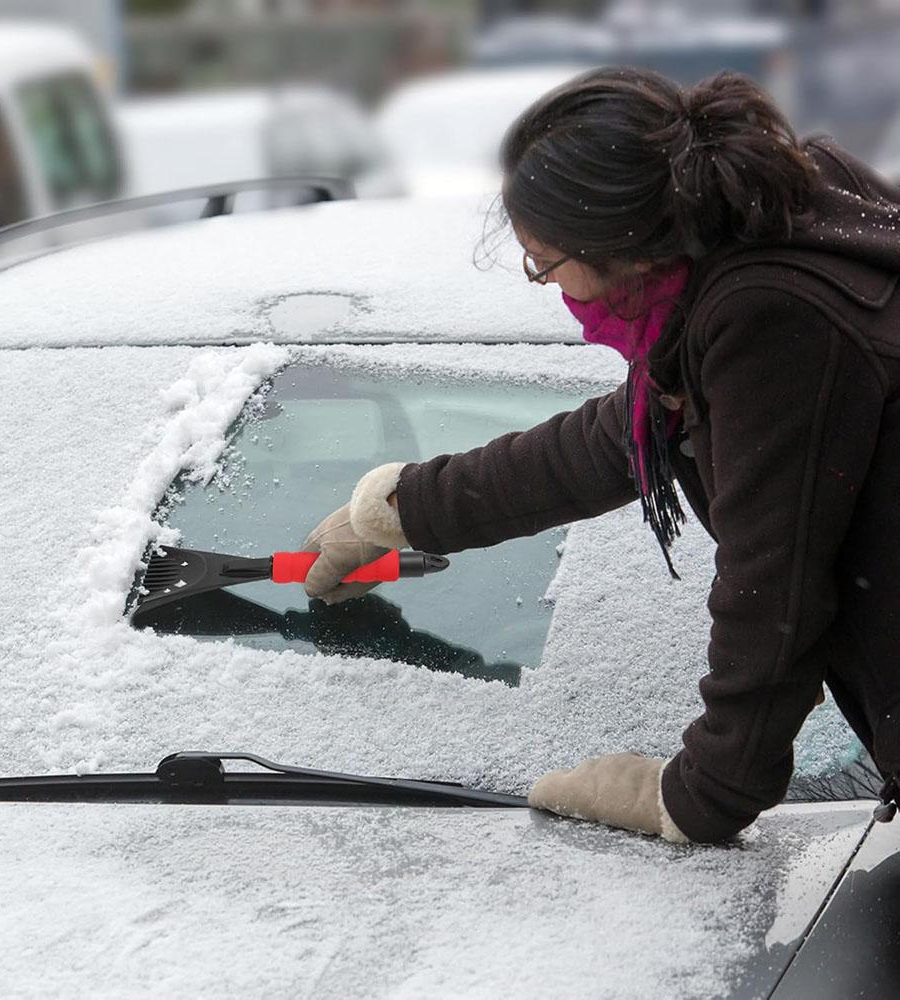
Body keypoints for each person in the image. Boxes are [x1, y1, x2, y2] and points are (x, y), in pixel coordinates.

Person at [300, 66, 900, 845]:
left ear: (621, 245)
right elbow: (614, 439)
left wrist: (700, 795)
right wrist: (403, 508)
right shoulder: (753, 238)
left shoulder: (771, 316)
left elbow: (775, 587)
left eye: (544, 263)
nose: (550, 286)